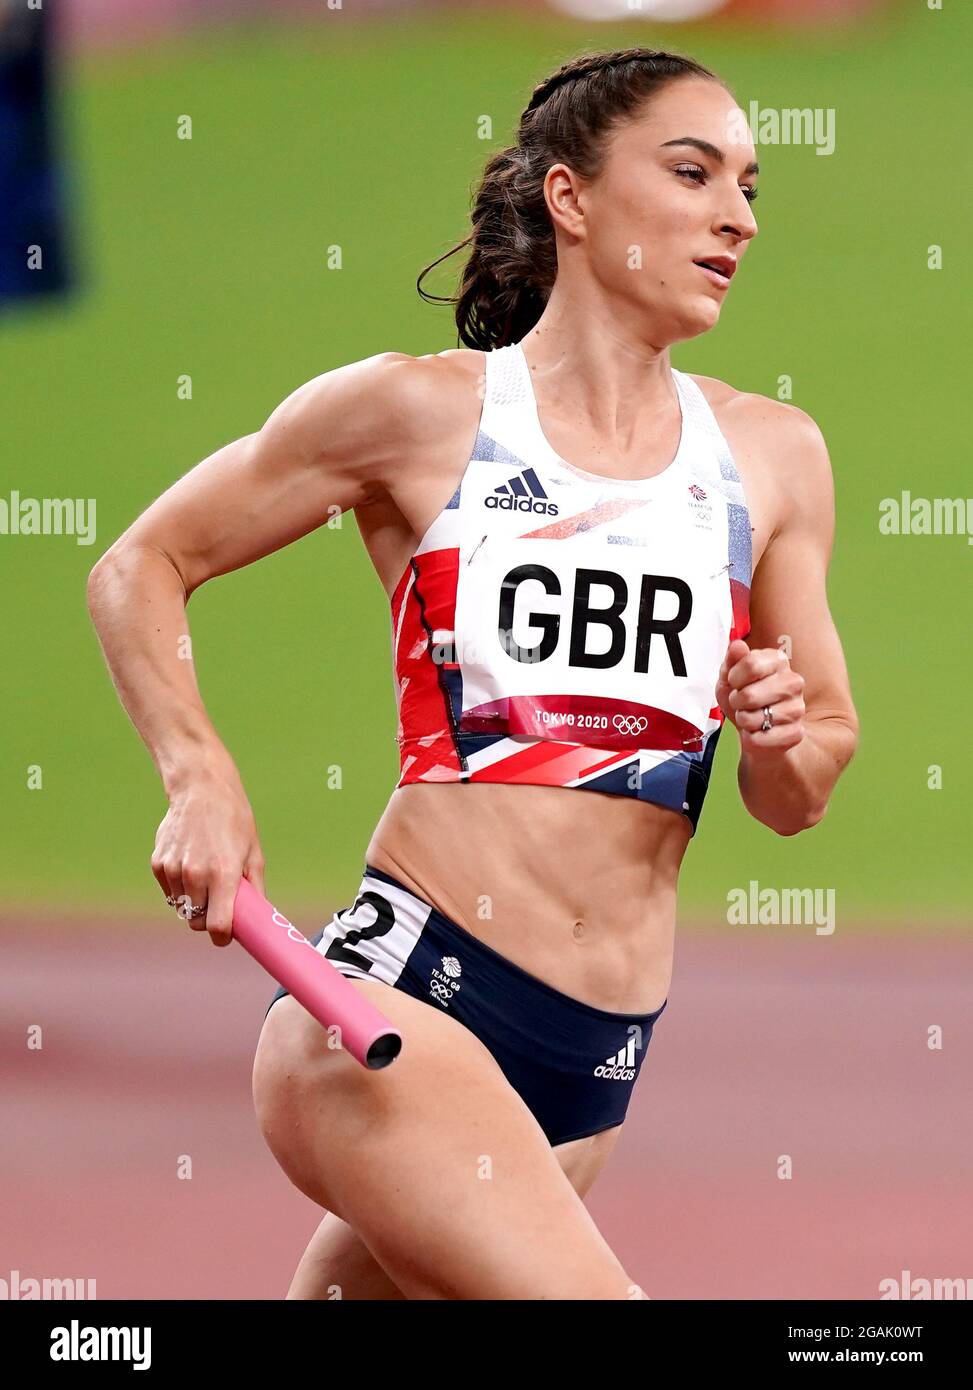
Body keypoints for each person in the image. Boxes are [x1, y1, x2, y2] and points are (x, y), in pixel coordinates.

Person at [87, 47, 859, 1301]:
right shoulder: (419, 412)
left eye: (750, 186)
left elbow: (804, 782)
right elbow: (142, 564)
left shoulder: (771, 455)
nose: (738, 215)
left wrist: (777, 733)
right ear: (572, 197)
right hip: (396, 1012)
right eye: (691, 172)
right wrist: (199, 775)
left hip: (589, 1069)